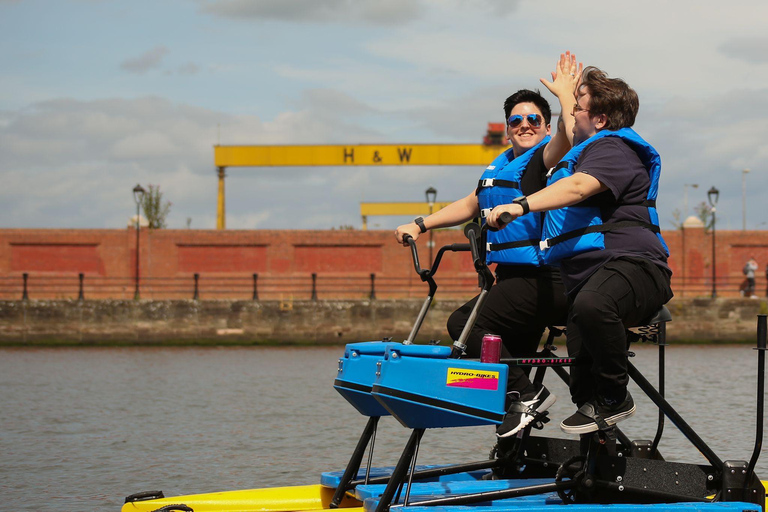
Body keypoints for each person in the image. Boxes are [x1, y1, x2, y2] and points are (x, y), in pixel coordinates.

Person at [394, 52, 581, 437]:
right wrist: (420, 224)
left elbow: (569, 134)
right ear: (508, 129)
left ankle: (528, 396)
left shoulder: (545, 159)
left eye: (534, 119)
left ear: (546, 127)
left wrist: (565, 96)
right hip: (514, 278)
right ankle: (514, 450)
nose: (524, 125)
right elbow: (471, 203)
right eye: (516, 120)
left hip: (547, 277)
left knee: (462, 324)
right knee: (499, 354)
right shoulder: (498, 168)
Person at [487, 66, 673, 435]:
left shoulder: (614, 148)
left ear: (601, 118)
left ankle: (617, 396)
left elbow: (577, 188)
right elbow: (574, 131)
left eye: (579, 106)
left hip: (635, 269)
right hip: (587, 279)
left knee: (592, 306)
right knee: (583, 389)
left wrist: (519, 206)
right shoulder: (589, 145)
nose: (572, 112)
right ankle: (600, 463)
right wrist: (565, 93)